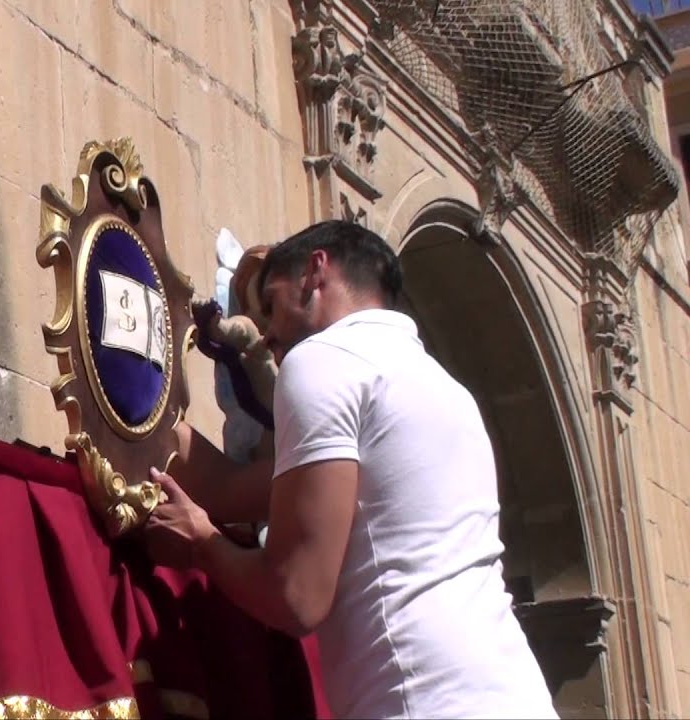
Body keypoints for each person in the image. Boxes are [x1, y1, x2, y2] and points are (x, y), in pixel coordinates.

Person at [144, 220, 558, 719]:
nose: (269, 335)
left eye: (271, 305)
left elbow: (296, 597)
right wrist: (139, 403)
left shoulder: (322, 360)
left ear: (315, 273)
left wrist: (203, 545)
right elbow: (231, 490)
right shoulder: (448, 392)